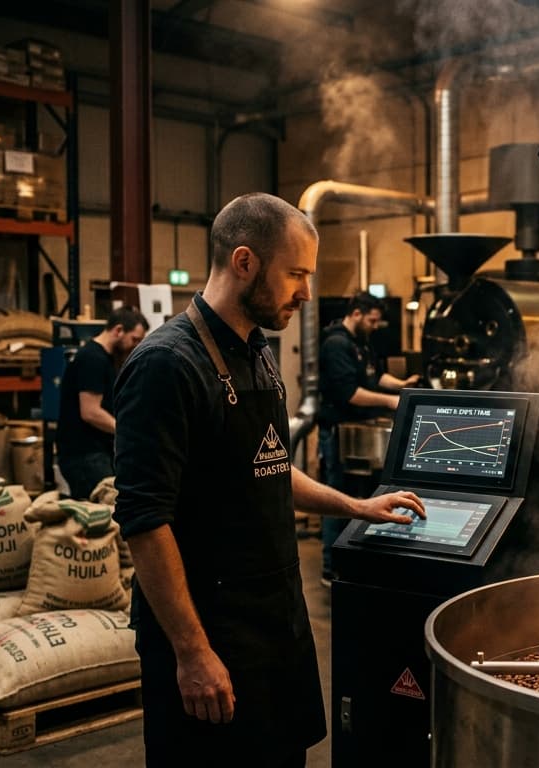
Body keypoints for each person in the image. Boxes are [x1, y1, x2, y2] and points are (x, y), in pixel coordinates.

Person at [112, 192, 426, 767]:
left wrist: (358, 507)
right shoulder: (166, 366)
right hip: (212, 633)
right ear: (244, 262)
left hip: (275, 620)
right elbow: (144, 522)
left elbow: (270, 468)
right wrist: (192, 651)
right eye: (297, 274)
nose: (306, 293)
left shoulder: (256, 352)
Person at [317, 291, 421, 581]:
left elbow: (374, 378)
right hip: (339, 434)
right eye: (373, 321)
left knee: (363, 497)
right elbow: (350, 393)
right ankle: (332, 567)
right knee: (338, 498)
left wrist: (403, 386)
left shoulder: (360, 343)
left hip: (359, 430)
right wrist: (391, 402)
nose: (376, 326)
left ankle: (359, 561)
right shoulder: (336, 344)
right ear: (357, 313)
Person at [55, 305, 148, 500]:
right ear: (118, 330)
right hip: (84, 456)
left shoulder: (106, 359)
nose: (136, 345)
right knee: (103, 511)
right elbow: (90, 412)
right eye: (135, 339)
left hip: (96, 453)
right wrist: (128, 431)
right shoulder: (92, 358)